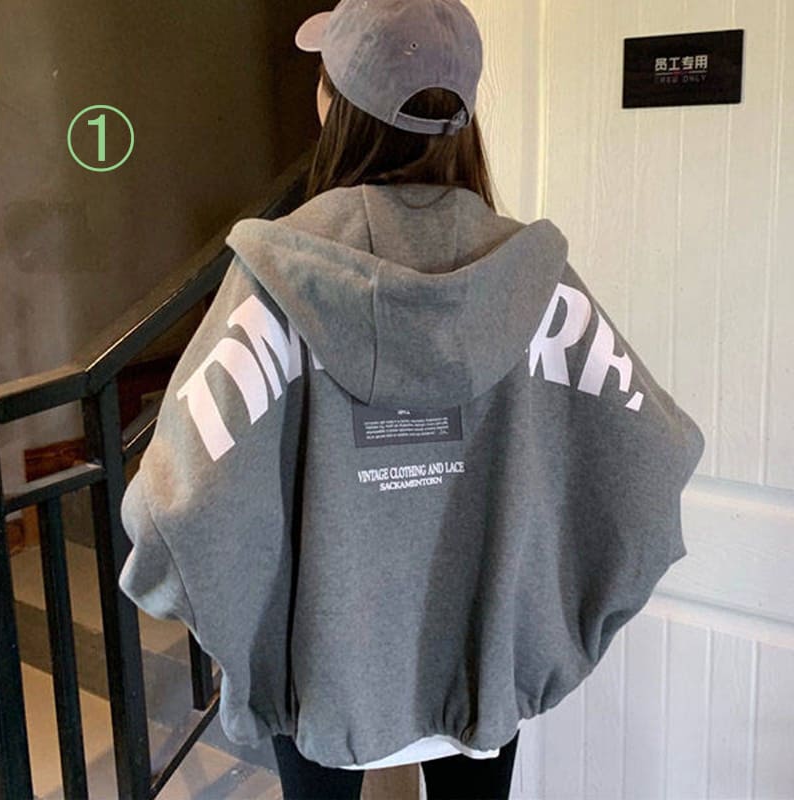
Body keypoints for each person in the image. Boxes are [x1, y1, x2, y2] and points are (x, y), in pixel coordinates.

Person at [117, 0, 705, 798]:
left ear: (335, 107)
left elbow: (170, 508)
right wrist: (547, 623)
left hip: (324, 677)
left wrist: (253, 637)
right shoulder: (534, 285)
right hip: (484, 668)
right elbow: (653, 458)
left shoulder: (279, 283)